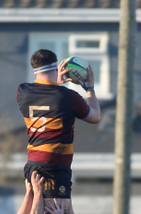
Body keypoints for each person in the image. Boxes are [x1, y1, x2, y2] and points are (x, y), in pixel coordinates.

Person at [16, 49, 101, 201]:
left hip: (33, 161)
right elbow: (95, 116)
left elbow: (48, 96)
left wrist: (56, 84)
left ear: (34, 70)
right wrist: (90, 89)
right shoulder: (69, 97)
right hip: (55, 164)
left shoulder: (22, 91)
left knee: (35, 209)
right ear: (57, 68)